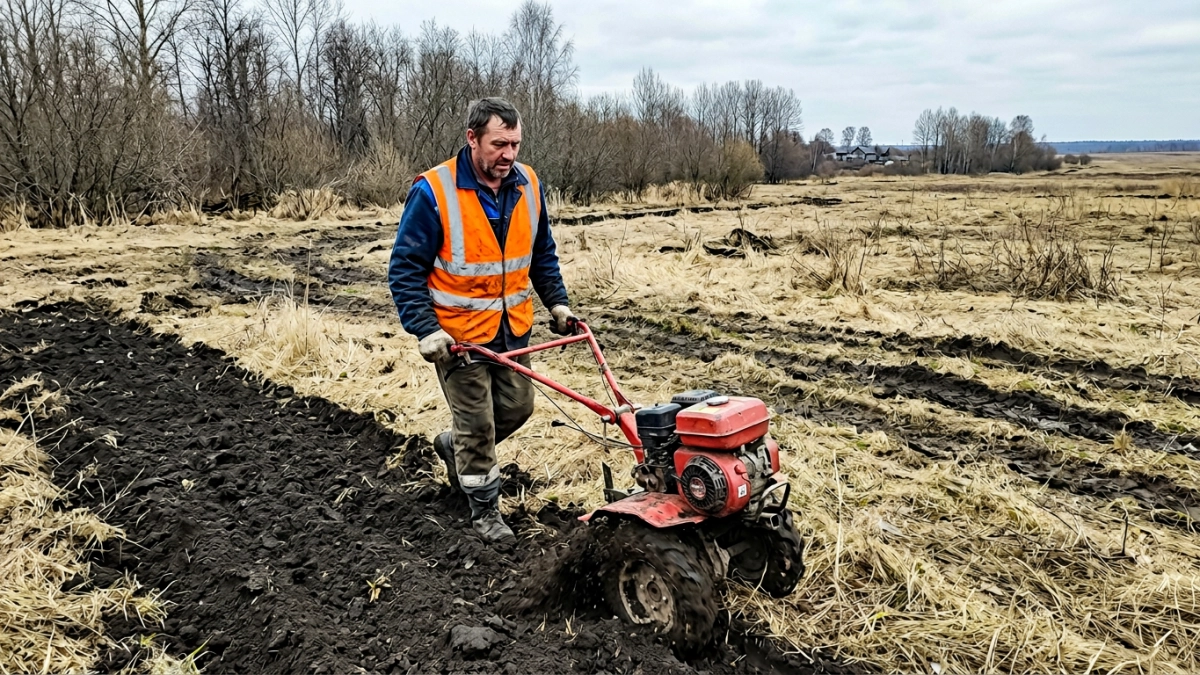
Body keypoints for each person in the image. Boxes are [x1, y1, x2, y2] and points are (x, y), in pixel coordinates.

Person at [388, 97, 575, 543]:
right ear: (472, 138)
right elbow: (404, 269)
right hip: (459, 337)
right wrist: (425, 329)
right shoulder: (434, 191)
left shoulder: (528, 183)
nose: (509, 154)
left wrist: (558, 303)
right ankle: (485, 511)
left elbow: (541, 253)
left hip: (513, 330)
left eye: (515, 144)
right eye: (499, 144)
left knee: (518, 407)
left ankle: (453, 447)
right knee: (477, 425)